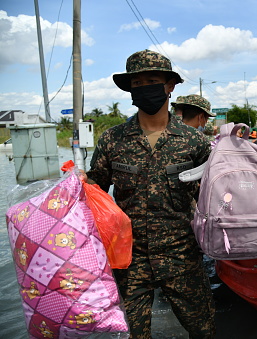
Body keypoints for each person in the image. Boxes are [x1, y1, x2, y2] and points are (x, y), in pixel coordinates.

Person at [85, 49, 215, 338]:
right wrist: (76, 185)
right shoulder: (112, 139)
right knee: (133, 334)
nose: (145, 89)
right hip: (129, 259)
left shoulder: (194, 141)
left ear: (170, 86)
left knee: (203, 330)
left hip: (182, 256)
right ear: (130, 89)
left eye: (152, 81)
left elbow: (211, 198)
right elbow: (95, 194)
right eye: (138, 83)